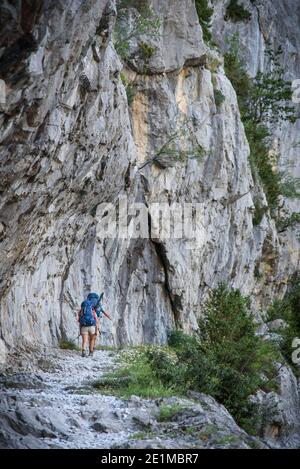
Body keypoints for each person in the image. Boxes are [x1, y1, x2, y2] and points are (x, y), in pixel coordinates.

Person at [77, 293, 112, 357]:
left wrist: (80, 329)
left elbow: (78, 320)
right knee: (92, 339)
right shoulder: (96, 308)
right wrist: (97, 329)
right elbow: (97, 320)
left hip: (84, 326)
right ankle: (91, 351)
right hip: (93, 325)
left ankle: (83, 351)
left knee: (85, 340)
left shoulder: (83, 309)